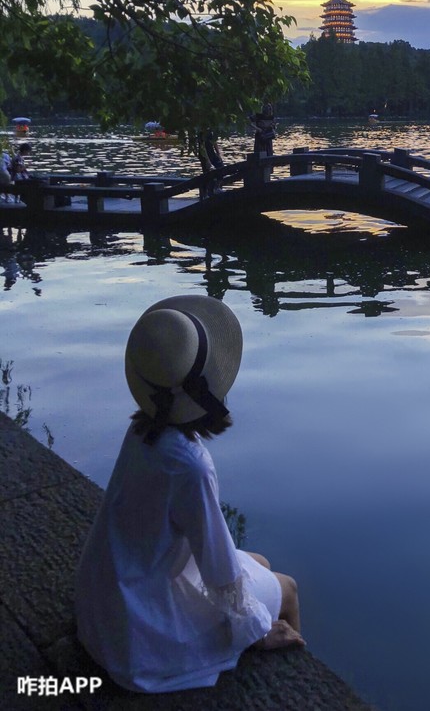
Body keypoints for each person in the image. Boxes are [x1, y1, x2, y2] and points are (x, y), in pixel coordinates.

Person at [75, 294, 304, 693]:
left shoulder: (142, 432)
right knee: (287, 587)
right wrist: (256, 630)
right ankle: (296, 685)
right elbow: (218, 570)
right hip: (139, 633)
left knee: (261, 561)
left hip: (104, 604)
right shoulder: (190, 465)